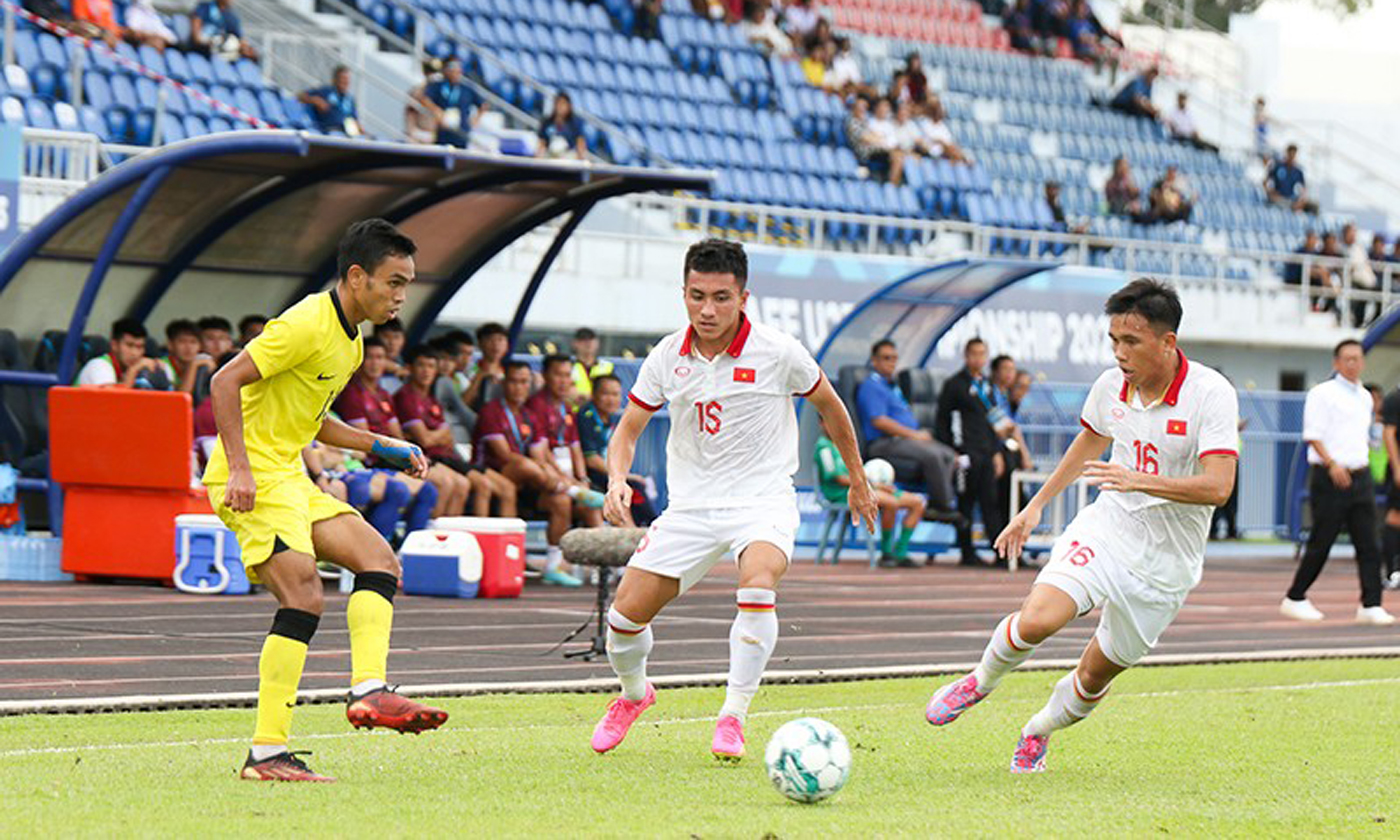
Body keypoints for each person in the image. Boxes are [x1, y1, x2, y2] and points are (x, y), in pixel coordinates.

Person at [924, 278, 1241, 773]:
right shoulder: (1109, 386)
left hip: (1167, 564)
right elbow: (1088, 444)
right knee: (1038, 619)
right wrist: (1034, 509)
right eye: (1114, 340)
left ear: (1168, 342)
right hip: (1109, 527)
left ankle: (1037, 730)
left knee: (1093, 677)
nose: (1119, 353)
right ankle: (979, 681)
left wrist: (1137, 479)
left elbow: (1219, 486)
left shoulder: (1210, 394)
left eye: (1130, 341)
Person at [588, 238, 878, 760]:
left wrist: (857, 477)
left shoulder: (779, 351)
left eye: (721, 297)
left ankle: (732, 716)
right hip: (691, 509)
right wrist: (616, 478)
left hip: (762, 501)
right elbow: (628, 429)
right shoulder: (666, 356)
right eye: (697, 296)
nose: (707, 309)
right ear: (683, 293)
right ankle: (634, 696)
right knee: (623, 621)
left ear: (744, 297)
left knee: (758, 583)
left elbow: (832, 409)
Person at [203, 219, 448, 783]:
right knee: (304, 596)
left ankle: (369, 691)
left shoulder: (352, 339)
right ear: (357, 276)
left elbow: (315, 421)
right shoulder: (304, 324)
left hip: (290, 476)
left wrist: (380, 445)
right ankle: (266, 754)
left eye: (407, 283)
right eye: (393, 282)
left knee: (379, 560)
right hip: (255, 479)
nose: (400, 296)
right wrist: (240, 467)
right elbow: (223, 381)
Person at [1281, 340, 1394, 625]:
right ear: (1336, 362)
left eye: (1357, 358)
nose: (1353, 364)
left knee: (1369, 543)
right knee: (1322, 540)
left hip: (1360, 474)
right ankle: (1295, 596)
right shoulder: (1322, 393)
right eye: (1347, 359)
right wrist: (1332, 464)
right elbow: (1312, 435)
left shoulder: (1366, 397)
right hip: (1330, 475)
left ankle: (1371, 604)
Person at [473, 361, 587, 586]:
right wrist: (551, 476)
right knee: (525, 466)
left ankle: (554, 566)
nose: (518, 387)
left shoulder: (528, 414)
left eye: (524, 382)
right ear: (505, 383)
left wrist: (558, 476)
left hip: (531, 482)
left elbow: (539, 453)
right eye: (514, 381)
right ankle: (568, 489)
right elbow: (505, 456)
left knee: (561, 502)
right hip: (496, 474)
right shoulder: (491, 410)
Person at [335, 338, 469, 519]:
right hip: (376, 458)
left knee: (460, 483)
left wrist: (409, 453)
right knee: (443, 483)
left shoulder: (383, 395)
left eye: (380, 357)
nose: (375, 363)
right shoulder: (352, 394)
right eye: (370, 357)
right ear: (359, 360)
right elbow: (363, 440)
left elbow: (397, 435)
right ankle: (428, 538)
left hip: (394, 454)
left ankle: (443, 536)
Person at [395, 344, 510, 518]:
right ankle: (436, 535)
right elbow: (425, 440)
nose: (426, 371)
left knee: (505, 487)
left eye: (431, 366)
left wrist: (437, 435)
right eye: (421, 365)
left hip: (448, 456)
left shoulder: (431, 398)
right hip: (429, 458)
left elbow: (448, 436)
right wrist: (438, 435)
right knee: (469, 484)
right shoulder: (406, 396)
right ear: (410, 368)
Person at [857, 339, 959, 521]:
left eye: (894, 358)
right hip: (884, 443)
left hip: (904, 441)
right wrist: (915, 435)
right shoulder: (871, 386)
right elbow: (879, 421)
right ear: (875, 361)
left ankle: (944, 501)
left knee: (948, 454)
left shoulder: (892, 386)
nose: (891, 362)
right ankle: (941, 506)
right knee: (932, 456)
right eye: (886, 358)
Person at [936, 338, 1011, 566]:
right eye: (974, 354)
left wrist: (997, 451)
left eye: (982, 354)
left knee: (991, 502)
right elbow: (943, 420)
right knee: (965, 503)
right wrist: (952, 452)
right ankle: (966, 552)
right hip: (965, 453)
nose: (978, 359)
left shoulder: (987, 385)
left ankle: (999, 554)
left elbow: (993, 421)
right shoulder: (954, 385)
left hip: (986, 453)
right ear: (966, 356)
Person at [815, 416, 926, 567]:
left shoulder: (846, 443)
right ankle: (887, 553)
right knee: (891, 502)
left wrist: (876, 484)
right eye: (829, 421)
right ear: (822, 424)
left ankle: (900, 552)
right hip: (842, 493)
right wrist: (872, 485)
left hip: (865, 487)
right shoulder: (824, 448)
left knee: (916, 503)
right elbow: (840, 478)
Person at [524, 353, 607, 529]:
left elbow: (575, 446)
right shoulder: (535, 405)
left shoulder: (567, 408)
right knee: (562, 501)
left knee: (592, 506)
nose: (563, 381)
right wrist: (565, 479)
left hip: (569, 478)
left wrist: (582, 478)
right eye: (558, 375)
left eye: (567, 375)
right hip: (544, 480)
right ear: (545, 375)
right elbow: (541, 451)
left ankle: (600, 555)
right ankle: (557, 556)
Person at [578, 372, 656, 525]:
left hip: (608, 473)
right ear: (594, 395)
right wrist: (625, 476)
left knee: (637, 488)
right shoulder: (586, 417)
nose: (611, 399)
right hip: (593, 475)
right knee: (632, 487)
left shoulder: (611, 418)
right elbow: (592, 460)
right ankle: (634, 532)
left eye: (615, 394)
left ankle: (647, 528)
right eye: (606, 394)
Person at [413, 58, 483, 148]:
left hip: (461, 133)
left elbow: (483, 105)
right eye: (452, 68)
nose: (456, 72)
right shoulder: (438, 86)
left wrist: (475, 119)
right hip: (442, 132)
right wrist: (436, 110)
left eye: (458, 68)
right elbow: (422, 98)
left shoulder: (467, 88)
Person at [75, 318, 163, 389]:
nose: (135, 353)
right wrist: (133, 371)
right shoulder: (99, 365)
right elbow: (114, 403)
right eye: (129, 345)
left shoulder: (129, 370)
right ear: (114, 345)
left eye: (140, 347)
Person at [300, 66, 362, 136]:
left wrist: (364, 133)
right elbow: (300, 96)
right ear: (335, 80)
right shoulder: (326, 91)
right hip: (328, 132)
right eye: (343, 78)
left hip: (346, 134)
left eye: (347, 79)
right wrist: (315, 100)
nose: (346, 81)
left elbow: (355, 120)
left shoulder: (350, 99)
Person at [162, 319, 215, 401]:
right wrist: (193, 365)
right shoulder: (162, 365)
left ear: (200, 346)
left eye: (193, 342)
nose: (188, 347)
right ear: (170, 345)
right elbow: (180, 397)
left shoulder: (204, 359)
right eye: (182, 342)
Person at [1379, 381, 1400, 590]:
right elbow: (1389, 434)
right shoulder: (1395, 398)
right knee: (1395, 517)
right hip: (1399, 468)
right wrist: (1397, 468)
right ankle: (1392, 572)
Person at [190, 0, 258, 60]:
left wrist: (246, 49)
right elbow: (197, 38)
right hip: (200, 51)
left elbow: (241, 40)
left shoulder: (231, 17)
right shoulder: (204, 8)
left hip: (219, 56)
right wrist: (213, 42)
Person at [464, 322, 509, 410]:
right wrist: (480, 376)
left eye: (500, 339)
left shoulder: (510, 372)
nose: (496, 344)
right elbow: (463, 403)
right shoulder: (468, 370)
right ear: (480, 344)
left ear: (507, 345)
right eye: (490, 339)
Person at [1264, 144, 1318, 214]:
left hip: (1291, 200)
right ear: (1286, 154)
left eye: (1293, 155)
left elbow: (1304, 190)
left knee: (1314, 207)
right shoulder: (1277, 166)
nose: (1291, 157)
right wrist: (1270, 193)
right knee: (1281, 204)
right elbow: (1265, 182)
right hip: (1279, 198)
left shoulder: (1298, 171)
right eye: (1290, 154)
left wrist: (1301, 201)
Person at [570, 327, 614, 408]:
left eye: (591, 339)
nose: (588, 343)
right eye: (583, 340)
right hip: (575, 415)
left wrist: (587, 397)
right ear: (575, 344)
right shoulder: (568, 367)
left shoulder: (607, 367)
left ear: (597, 343)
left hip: (600, 415)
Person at [537, 92, 587, 160]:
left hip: (568, 157)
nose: (560, 106)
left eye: (563, 103)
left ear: (569, 106)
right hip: (550, 156)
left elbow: (580, 142)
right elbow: (542, 143)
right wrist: (538, 157)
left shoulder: (575, 123)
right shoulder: (546, 122)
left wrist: (580, 158)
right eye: (558, 103)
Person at [1104, 155, 1145, 220]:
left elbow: (1136, 195)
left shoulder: (1129, 181)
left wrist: (1131, 187)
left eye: (1125, 165)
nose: (1124, 168)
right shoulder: (1110, 182)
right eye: (1122, 165)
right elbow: (1111, 200)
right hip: (1116, 207)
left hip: (1129, 208)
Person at [373, 318, 408, 393]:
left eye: (396, 337)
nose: (392, 342)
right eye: (386, 336)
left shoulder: (403, 363)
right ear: (375, 337)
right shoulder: (362, 360)